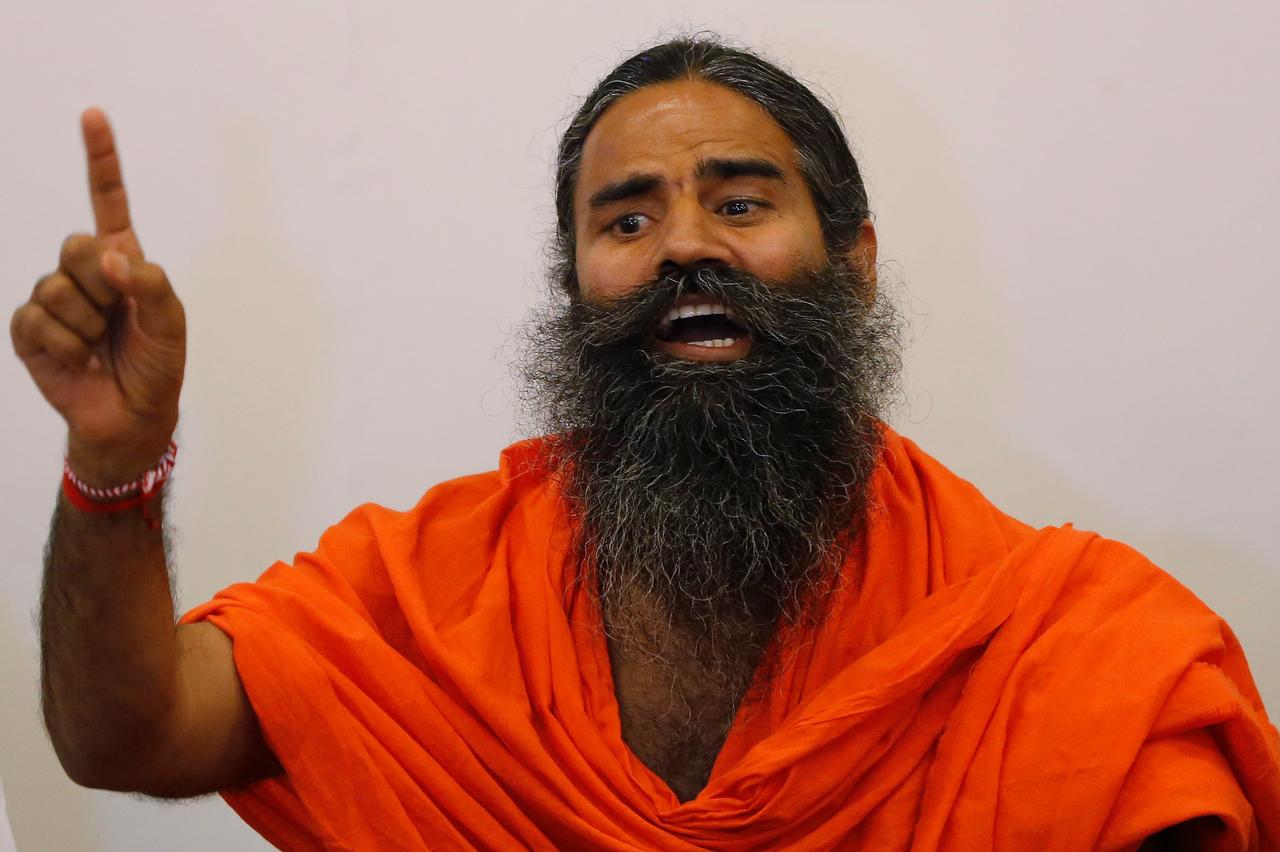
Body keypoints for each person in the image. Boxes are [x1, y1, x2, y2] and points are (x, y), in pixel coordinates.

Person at [11, 37, 1280, 850]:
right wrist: (117, 460)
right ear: (576, 289)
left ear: (853, 266)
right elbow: (131, 735)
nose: (683, 246)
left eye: (739, 201)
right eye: (625, 221)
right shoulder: (428, 591)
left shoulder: (1068, 644)